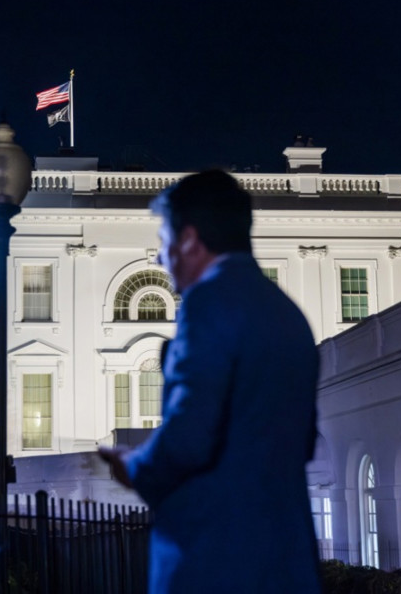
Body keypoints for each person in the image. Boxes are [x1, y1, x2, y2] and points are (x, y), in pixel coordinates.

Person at [99, 170, 321, 593]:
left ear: (189, 240)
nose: (161, 258)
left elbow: (189, 437)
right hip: (286, 559)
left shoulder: (208, 302)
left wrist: (135, 467)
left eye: (165, 241)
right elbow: (305, 439)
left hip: (215, 558)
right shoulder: (289, 314)